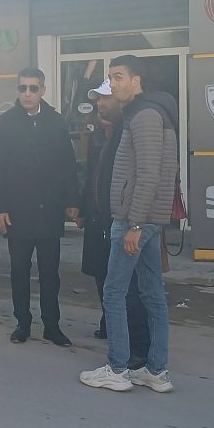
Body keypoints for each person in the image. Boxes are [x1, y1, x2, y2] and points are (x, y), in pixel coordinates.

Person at [80, 55, 178, 393]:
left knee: (114, 292)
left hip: (135, 220)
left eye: (118, 76)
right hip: (146, 219)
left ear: (136, 81)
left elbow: (149, 173)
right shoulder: (145, 112)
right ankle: (156, 371)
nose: (113, 83)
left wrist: (135, 223)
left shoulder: (145, 115)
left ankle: (118, 369)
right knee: (152, 294)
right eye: (110, 77)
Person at [0, 68, 79, 346]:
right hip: (17, 211)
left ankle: (52, 325)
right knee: (19, 271)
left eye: (33, 88)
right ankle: (23, 323)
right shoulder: (5, 123)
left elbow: (68, 163)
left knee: (50, 273)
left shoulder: (56, 121)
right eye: (23, 88)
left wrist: (72, 200)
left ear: (43, 90)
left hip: (49, 210)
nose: (27, 93)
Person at [76, 79, 149, 370]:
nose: (100, 104)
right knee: (101, 274)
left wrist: (136, 222)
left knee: (128, 287)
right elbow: (92, 175)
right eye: (97, 99)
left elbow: (144, 177)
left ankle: (137, 349)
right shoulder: (98, 135)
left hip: (121, 220)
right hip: (97, 219)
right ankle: (110, 323)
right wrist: (83, 207)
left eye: (105, 98)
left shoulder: (129, 131)